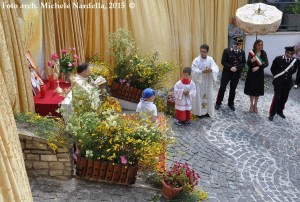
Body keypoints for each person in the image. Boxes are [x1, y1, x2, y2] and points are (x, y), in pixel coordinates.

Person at [268, 46, 300, 121]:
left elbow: (294, 71)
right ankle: (272, 113)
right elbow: (272, 69)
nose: (291, 55)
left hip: (288, 83)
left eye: (292, 54)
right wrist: (278, 77)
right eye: (289, 53)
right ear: (285, 52)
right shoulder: (278, 59)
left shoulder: (294, 61)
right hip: (278, 82)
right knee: (277, 97)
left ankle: (280, 111)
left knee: (284, 98)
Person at [215, 37, 246, 111]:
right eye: (235, 43)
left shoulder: (242, 52)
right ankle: (218, 102)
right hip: (227, 72)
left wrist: (237, 68)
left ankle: (230, 103)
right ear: (233, 43)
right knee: (222, 87)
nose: (236, 45)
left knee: (233, 89)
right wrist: (230, 68)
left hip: (236, 73)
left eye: (238, 44)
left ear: (240, 44)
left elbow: (243, 62)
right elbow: (223, 61)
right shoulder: (227, 51)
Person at [191, 44, 219, 118]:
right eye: (201, 51)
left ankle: (205, 111)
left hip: (207, 82)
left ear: (207, 52)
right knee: (199, 97)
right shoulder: (196, 60)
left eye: (204, 52)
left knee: (206, 96)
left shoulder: (210, 59)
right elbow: (193, 71)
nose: (202, 53)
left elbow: (215, 67)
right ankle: (198, 112)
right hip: (199, 82)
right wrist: (202, 72)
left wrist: (211, 70)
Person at [244, 39, 269, 113]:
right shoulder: (252, 53)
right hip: (251, 73)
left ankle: (255, 105)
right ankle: (251, 105)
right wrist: (252, 60)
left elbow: (266, 63)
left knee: (257, 90)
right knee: (251, 89)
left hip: (259, 74)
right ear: (255, 45)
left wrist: (258, 67)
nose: (260, 46)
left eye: (261, 44)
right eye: (259, 45)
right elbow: (248, 63)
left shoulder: (263, 53)